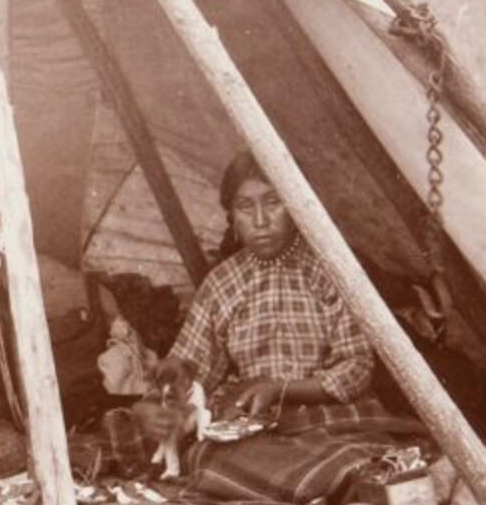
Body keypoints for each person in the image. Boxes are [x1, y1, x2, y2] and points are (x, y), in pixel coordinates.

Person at [159, 151, 379, 417]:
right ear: (232, 217)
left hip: (327, 415)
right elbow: (190, 366)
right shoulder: (221, 283)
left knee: (350, 458)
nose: (261, 221)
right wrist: (168, 403)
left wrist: (281, 389)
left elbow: (357, 365)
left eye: (273, 202)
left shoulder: (330, 271)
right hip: (250, 416)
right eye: (245, 206)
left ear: (296, 207)